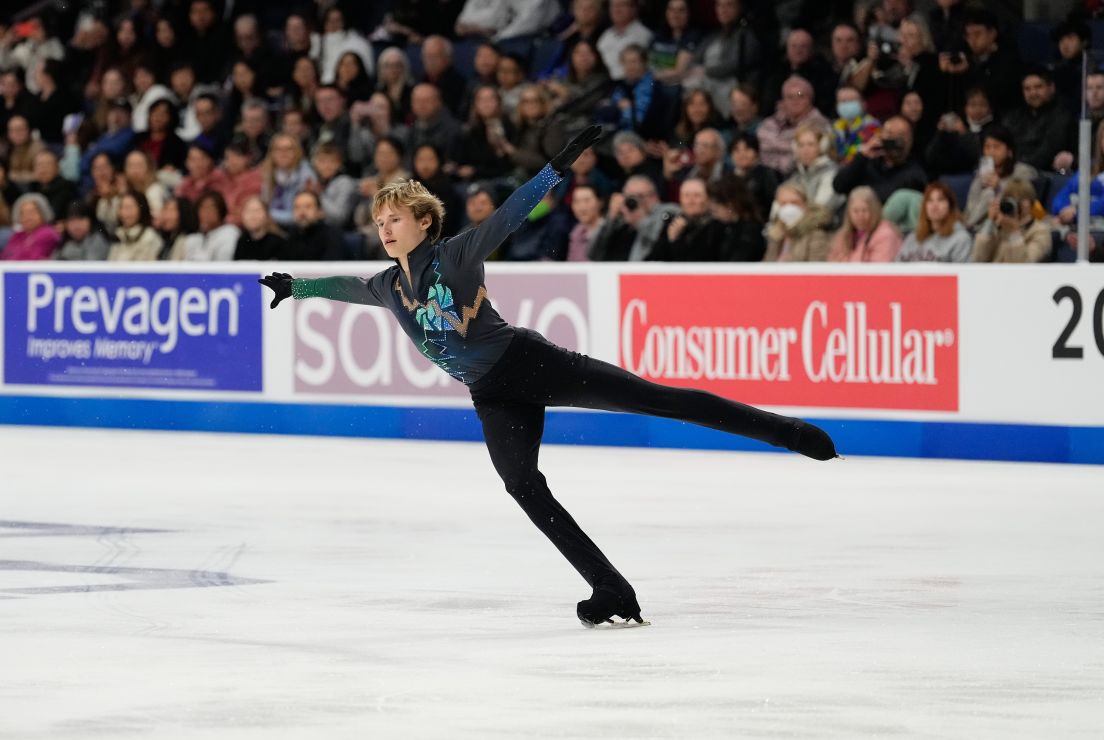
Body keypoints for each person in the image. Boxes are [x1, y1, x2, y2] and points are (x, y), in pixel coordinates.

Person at [258, 126, 837, 627]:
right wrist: (298, 288)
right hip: (490, 394)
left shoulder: (457, 255)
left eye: (396, 219)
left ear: (425, 222)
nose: (384, 228)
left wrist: (557, 168)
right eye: (379, 221)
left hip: (529, 363)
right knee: (522, 485)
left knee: (656, 400)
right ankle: (611, 587)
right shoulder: (388, 285)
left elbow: (508, 215)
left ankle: (783, 431)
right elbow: (348, 289)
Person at [833, 115, 926, 203]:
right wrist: (862, 156)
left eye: (901, 135)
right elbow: (839, 186)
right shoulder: (867, 161)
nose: (894, 140)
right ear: (880, 135)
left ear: (911, 140)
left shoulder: (915, 173)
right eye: (889, 134)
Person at [964, 124, 1037, 234]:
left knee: (989, 193)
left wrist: (998, 188)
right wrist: (979, 184)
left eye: (996, 147)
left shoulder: (1022, 171)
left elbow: (1024, 199)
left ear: (1009, 151)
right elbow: (970, 205)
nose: (991, 152)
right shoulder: (982, 172)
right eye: (987, 147)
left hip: (1007, 221)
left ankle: (966, 228)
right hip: (979, 223)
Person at [1002, 69, 1076, 174]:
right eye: (1027, 89)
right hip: (1014, 169)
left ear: (1051, 88)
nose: (1033, 93)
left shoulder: (1062, 117)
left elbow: (1046, 154)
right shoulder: (1015, 116)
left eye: (1038, 87)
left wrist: (1013, 166)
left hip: (1043, 174)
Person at [972, 178, 1051, 263]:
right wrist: (990, 221)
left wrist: (1014, 232)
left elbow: (1023, 267)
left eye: (1022, 199)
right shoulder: (999, 226)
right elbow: (979, 259)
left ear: (1032, 202)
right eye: (1011, 198)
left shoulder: (1040, 231)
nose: (1017, 204)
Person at [1052, 119, 1104, 228]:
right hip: (1074, 220)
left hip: (1099, 226)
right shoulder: (1090, 168)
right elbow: (1065, 192)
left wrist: (1076, 212)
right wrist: (1063, 212)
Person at [897, 181, 972, 262]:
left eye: (941, 200)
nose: (934, 205)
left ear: (950, 206)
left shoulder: (961, 239)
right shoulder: (912, 237)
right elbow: (897, 269)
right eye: (929, 200)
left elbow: (962, 272)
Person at [828, 186, 902, 262]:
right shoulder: (843, 236)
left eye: (864, 210)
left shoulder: (886, 235)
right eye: (856, 211)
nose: (860, 216)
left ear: (874, 210)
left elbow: (879, 269)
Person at [762, 182, 832, 262]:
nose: (789, 208)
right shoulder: (776, 235)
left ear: (805, 205)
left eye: (794, 203)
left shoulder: (816, 235)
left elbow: (817, 267)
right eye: (783, 204)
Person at [785, 125, 843, 214]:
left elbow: (821, 210)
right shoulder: (797, 175)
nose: (805, 150)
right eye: (801, 145)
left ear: (822, 147)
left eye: (810, 144)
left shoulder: (831, 173)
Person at [1, 193, 60, 260]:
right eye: (23, 213)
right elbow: (4, 257)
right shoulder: (17, 236)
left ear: (42, 213)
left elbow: (33, 259)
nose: (28, 216)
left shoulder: (48, 233)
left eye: (32, 212)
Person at [108, 190, 164, 261]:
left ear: (141, 209)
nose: (125, 213)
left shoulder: (150, 237)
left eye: (129, 208)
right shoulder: (119, 234)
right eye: (122, 207)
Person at [832, 86, 881, 163]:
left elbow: (863, 151)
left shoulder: (872, 125)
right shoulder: (835, 126)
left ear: (863, 103)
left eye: (851, 100)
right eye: (843, 101)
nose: (847, 105)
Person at [234, 195, 287, 261]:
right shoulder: (241, 241)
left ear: (267, 215)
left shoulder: (278, 243)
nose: (252, 216)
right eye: (248, 211)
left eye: (257, 211)